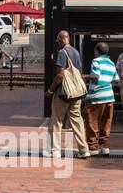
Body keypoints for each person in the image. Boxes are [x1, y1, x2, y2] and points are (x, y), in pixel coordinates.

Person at [48, 29, 89, 160]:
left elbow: (60, 75)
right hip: (76, 93)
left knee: (56, 121)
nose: (56, 42)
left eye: (57, 39)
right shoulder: (76, 52)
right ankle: (84, 150)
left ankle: (55, 151)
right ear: (69, 39)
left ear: (61, 39)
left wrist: (50, 90)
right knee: (77, 121)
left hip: (63, 93)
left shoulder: (62, 52)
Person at [83, 40, 119, 157]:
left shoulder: (96, 61)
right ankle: (105, 147)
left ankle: (93, 148)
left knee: (92, 122)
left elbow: (95, 76)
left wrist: (83, 76)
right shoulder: (111, 63)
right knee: (106, 123)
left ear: (97, 51)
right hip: (109, 97)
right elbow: (116, 81)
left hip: (96, 97)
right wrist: (107, 86)